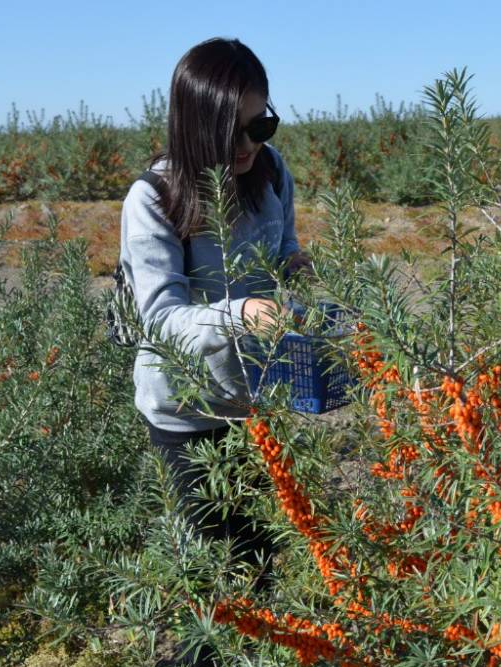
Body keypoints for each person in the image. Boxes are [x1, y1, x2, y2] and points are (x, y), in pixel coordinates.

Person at [118, 38, 310, 581]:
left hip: (256, 399)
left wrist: (295, 267)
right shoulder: (153, 198)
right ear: (195, 125)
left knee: (261, 561)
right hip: (186, 412)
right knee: (211, 575)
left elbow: (285, 247)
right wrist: (240, 312)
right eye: (233, 130)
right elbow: (159, 318)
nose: (249, 143)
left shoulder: (270, 173)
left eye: (261, 125)